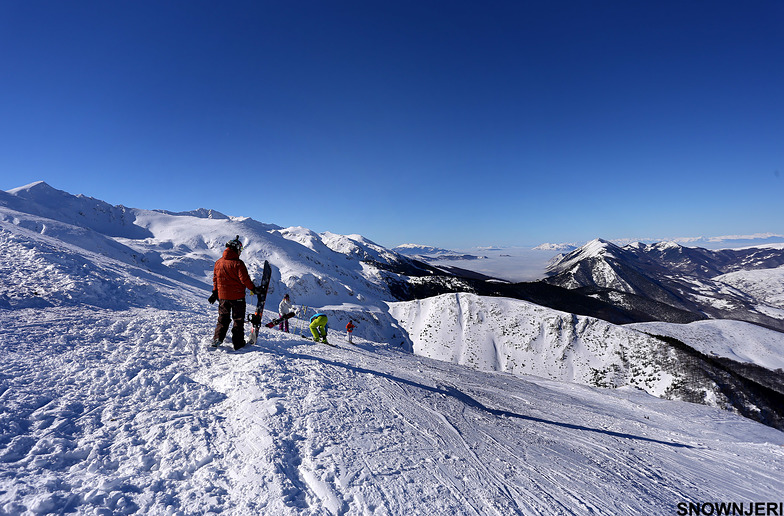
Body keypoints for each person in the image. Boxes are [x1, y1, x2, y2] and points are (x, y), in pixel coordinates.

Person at [210, 235, 258, 350]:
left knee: (223, 318)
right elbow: (244, 279)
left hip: (223, 297)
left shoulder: (218, 262)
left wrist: (214, 292)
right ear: (236, 249)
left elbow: (216, 279)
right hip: (238, 298)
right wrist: (253, 289)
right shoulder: (238, 263)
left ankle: (217, 339)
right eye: (240, 249)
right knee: (238, 320)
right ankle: (238, 343)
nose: (240, 252)